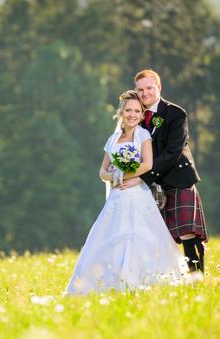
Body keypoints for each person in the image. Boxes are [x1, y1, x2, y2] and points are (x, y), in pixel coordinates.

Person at [64, 90, 187, 295]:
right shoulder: (113, 139)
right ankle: (107, 285)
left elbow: (147, 164)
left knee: (138, 236)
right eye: (128, 110)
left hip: (137, 195)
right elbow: (102, 172)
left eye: (137, 111)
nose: (132, 115)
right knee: (109, 238)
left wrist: (126, 175)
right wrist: (114, 176)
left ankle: (143, 284)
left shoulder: (143, 135)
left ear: (142, 115)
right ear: (121, 112)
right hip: (117, 197)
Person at [122, 70, 208, 273]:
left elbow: (173, 152)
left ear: (159, 87)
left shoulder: (175, 114)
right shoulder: (135, 115)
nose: (145, 93)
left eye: (149, 88)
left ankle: (197, 279)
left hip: (177, 180)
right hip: (150, 186)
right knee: (153, 238)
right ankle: (161, 280)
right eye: (140, 90)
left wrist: (140, 177)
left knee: (188, 235)